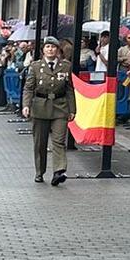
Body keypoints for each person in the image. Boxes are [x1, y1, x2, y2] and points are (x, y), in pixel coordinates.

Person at [25, 36, 75, 185]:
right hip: (40, 107)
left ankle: (59, 171)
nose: (50, 49)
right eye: (47, 47)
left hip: (60, 107)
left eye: (53, 47)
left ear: (58, 50)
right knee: (40, 143)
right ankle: (39, 171)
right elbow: (28, 88)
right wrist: (26, 105)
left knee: (59, 141)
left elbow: (69, 89)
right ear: (43, 50)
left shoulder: (65, 66)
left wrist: (72, 109)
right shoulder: (35, 66)